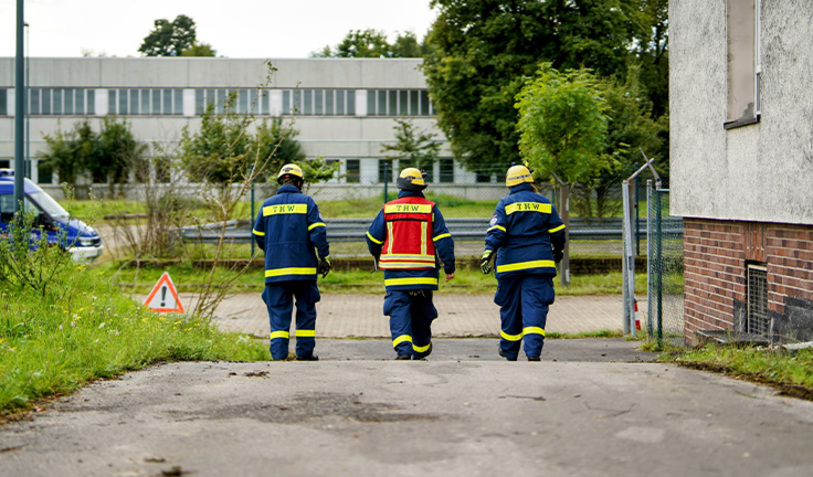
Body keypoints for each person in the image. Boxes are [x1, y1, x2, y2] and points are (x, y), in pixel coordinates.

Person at [366, 168, 456, 360]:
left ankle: (403, 350)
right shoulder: (430, 208)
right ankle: (422, 348)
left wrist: (376, 255)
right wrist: (449, 266)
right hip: (424, 275)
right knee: (422, 311)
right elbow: (444, 240)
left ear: (400, 185)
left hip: (396, 274)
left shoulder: (388, 208)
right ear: (421, 186)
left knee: (398, 309)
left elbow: (372, 238)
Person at [480, 165, 566, 362]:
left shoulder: (506, 203)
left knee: (510, 307)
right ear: (529, 182)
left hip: (509, 266)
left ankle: (509, 352)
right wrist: (557, 252)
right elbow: (559, 232)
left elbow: (497, 232)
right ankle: (533, 352)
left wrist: (487, 253)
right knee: (535, 306)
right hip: (539, 264)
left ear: (510, 184)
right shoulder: (544, 203)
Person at [252, 163, 330, 361]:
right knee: (306, 310)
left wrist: (272, 250)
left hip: (275, 270)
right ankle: (304, 354)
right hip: (304, 270)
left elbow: (258, 234)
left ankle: (278, 355)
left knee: (278, 313)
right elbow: (319, 232)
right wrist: (323, 257)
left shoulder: (267, 205)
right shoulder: (307, 202)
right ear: (299, 182)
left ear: (281, 182)